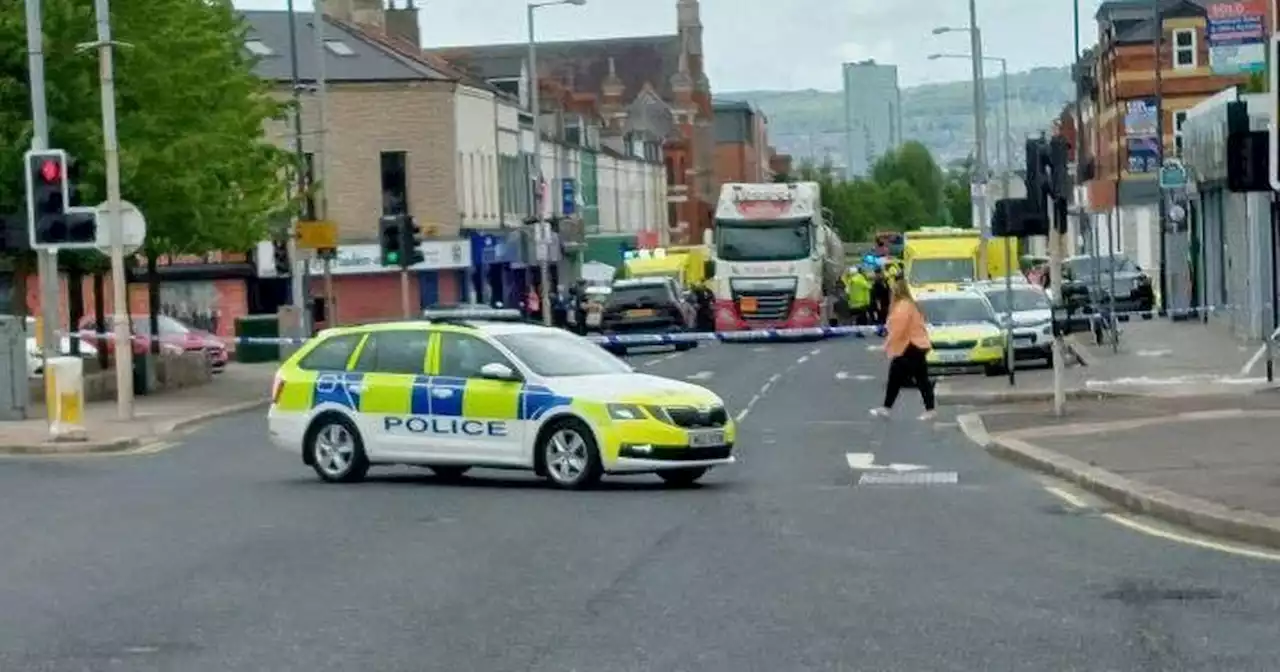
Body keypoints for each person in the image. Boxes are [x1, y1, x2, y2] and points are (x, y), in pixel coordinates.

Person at [870, 277, 936, 420]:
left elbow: (898, 329)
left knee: (901, 376)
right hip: (917, 345)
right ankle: (929, 409)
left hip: (911, 345)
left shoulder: (903, 306)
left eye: (892, 291)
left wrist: (886, 346)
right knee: (918, 378)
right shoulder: (910, 304)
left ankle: (887, 408)